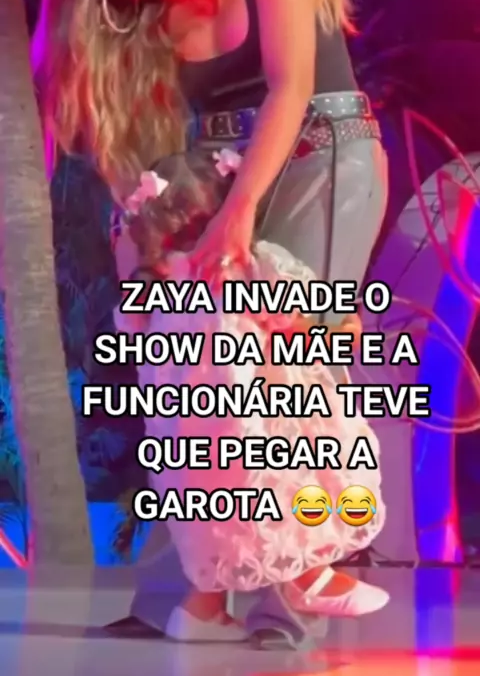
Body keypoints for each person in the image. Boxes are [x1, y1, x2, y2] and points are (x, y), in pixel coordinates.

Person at [42, 0, 389, 644]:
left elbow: (292, 86)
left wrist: (239, 213)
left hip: (321, 156)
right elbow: (141, 145)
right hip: (220, 174)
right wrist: (156, 236)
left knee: (287, 365)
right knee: (201, 380)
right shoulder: (144, 19)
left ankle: (284, 606)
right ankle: (195, 599)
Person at [112, 147, 387, 643]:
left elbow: (132, 336)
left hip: (193, 442)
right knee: (286, 493)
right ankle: (307, 580)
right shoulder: (253, 265)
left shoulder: (155, 284)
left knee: (215, 523)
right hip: (257, 421)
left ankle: (199, 613)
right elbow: (299, 318)